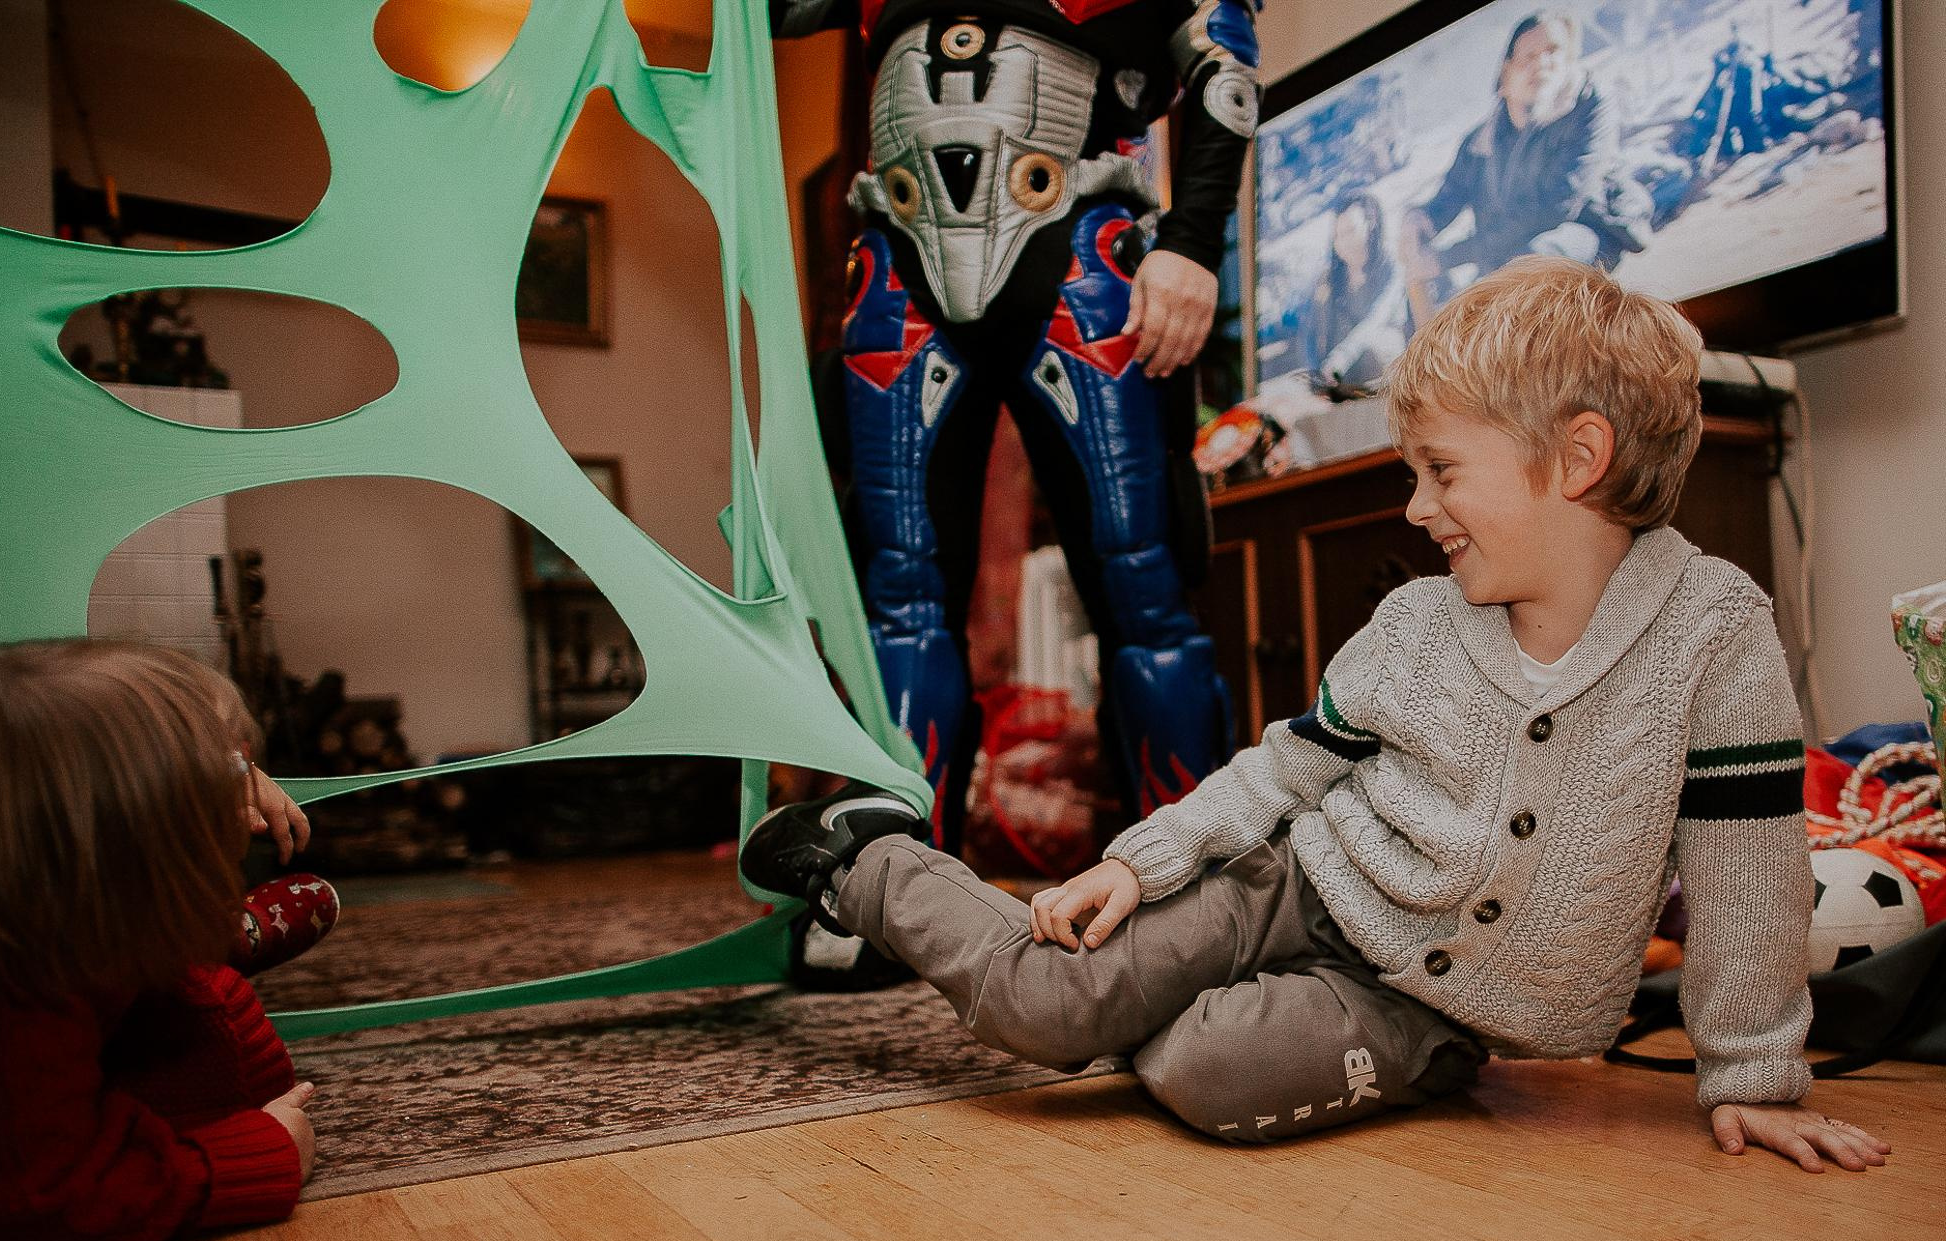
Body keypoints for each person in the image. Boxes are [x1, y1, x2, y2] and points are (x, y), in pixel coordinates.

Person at [742, 257, 1895, 1171]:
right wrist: (1144, 867)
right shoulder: (1414, 626)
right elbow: (1286, 768)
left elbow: (1748, 867)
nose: (1415, 504)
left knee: (1206, 1075)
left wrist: (1750, 1073)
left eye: (1440, 469)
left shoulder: (1713, 632)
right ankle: (869, 860)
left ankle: (1168, 1009)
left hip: (1428, 1010)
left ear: (1576, 457)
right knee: (1044, 1006)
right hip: (1291, 880)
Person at [772, 0, 1260, 847]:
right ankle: (894, 891)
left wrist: (1190, 242)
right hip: (901, 264)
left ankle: (1192, 886)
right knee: (899, 600)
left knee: (1143, 586)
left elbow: (1223, 62)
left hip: (1077, 260)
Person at [0, 640, 335, 1241]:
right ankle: (211, 937)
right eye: (219, 834)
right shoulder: (0, 1013)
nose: (253, 818)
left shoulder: (44, 918)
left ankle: (194, 939)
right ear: (134, 864)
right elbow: (38, 1203)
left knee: (188, 1006)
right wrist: (249, 1158)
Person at [1400, 12, 1649, 323]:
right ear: (1505, 73)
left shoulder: (1590, 106)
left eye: (1553, 51)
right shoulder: (1481, 141)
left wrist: (1448, 257)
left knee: (1531, 264)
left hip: (1581, 233)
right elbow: (1450, 196)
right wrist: (1422, 221)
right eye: (1528, 56)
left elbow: (1558, 204)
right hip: (1506, 256)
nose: (1542, 63)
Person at [1298, 190, 1408, 393]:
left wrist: (1340, 359)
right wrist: (1317, 376)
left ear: (1371, 224)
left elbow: (1375, 320)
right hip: (1339, 378)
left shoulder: (1391, 267)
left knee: (1376, 347)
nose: (1344, 242)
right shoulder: (1329, 280)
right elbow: (1311, 334)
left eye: (1351, 231)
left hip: (1383, 376)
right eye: (1338, 235)